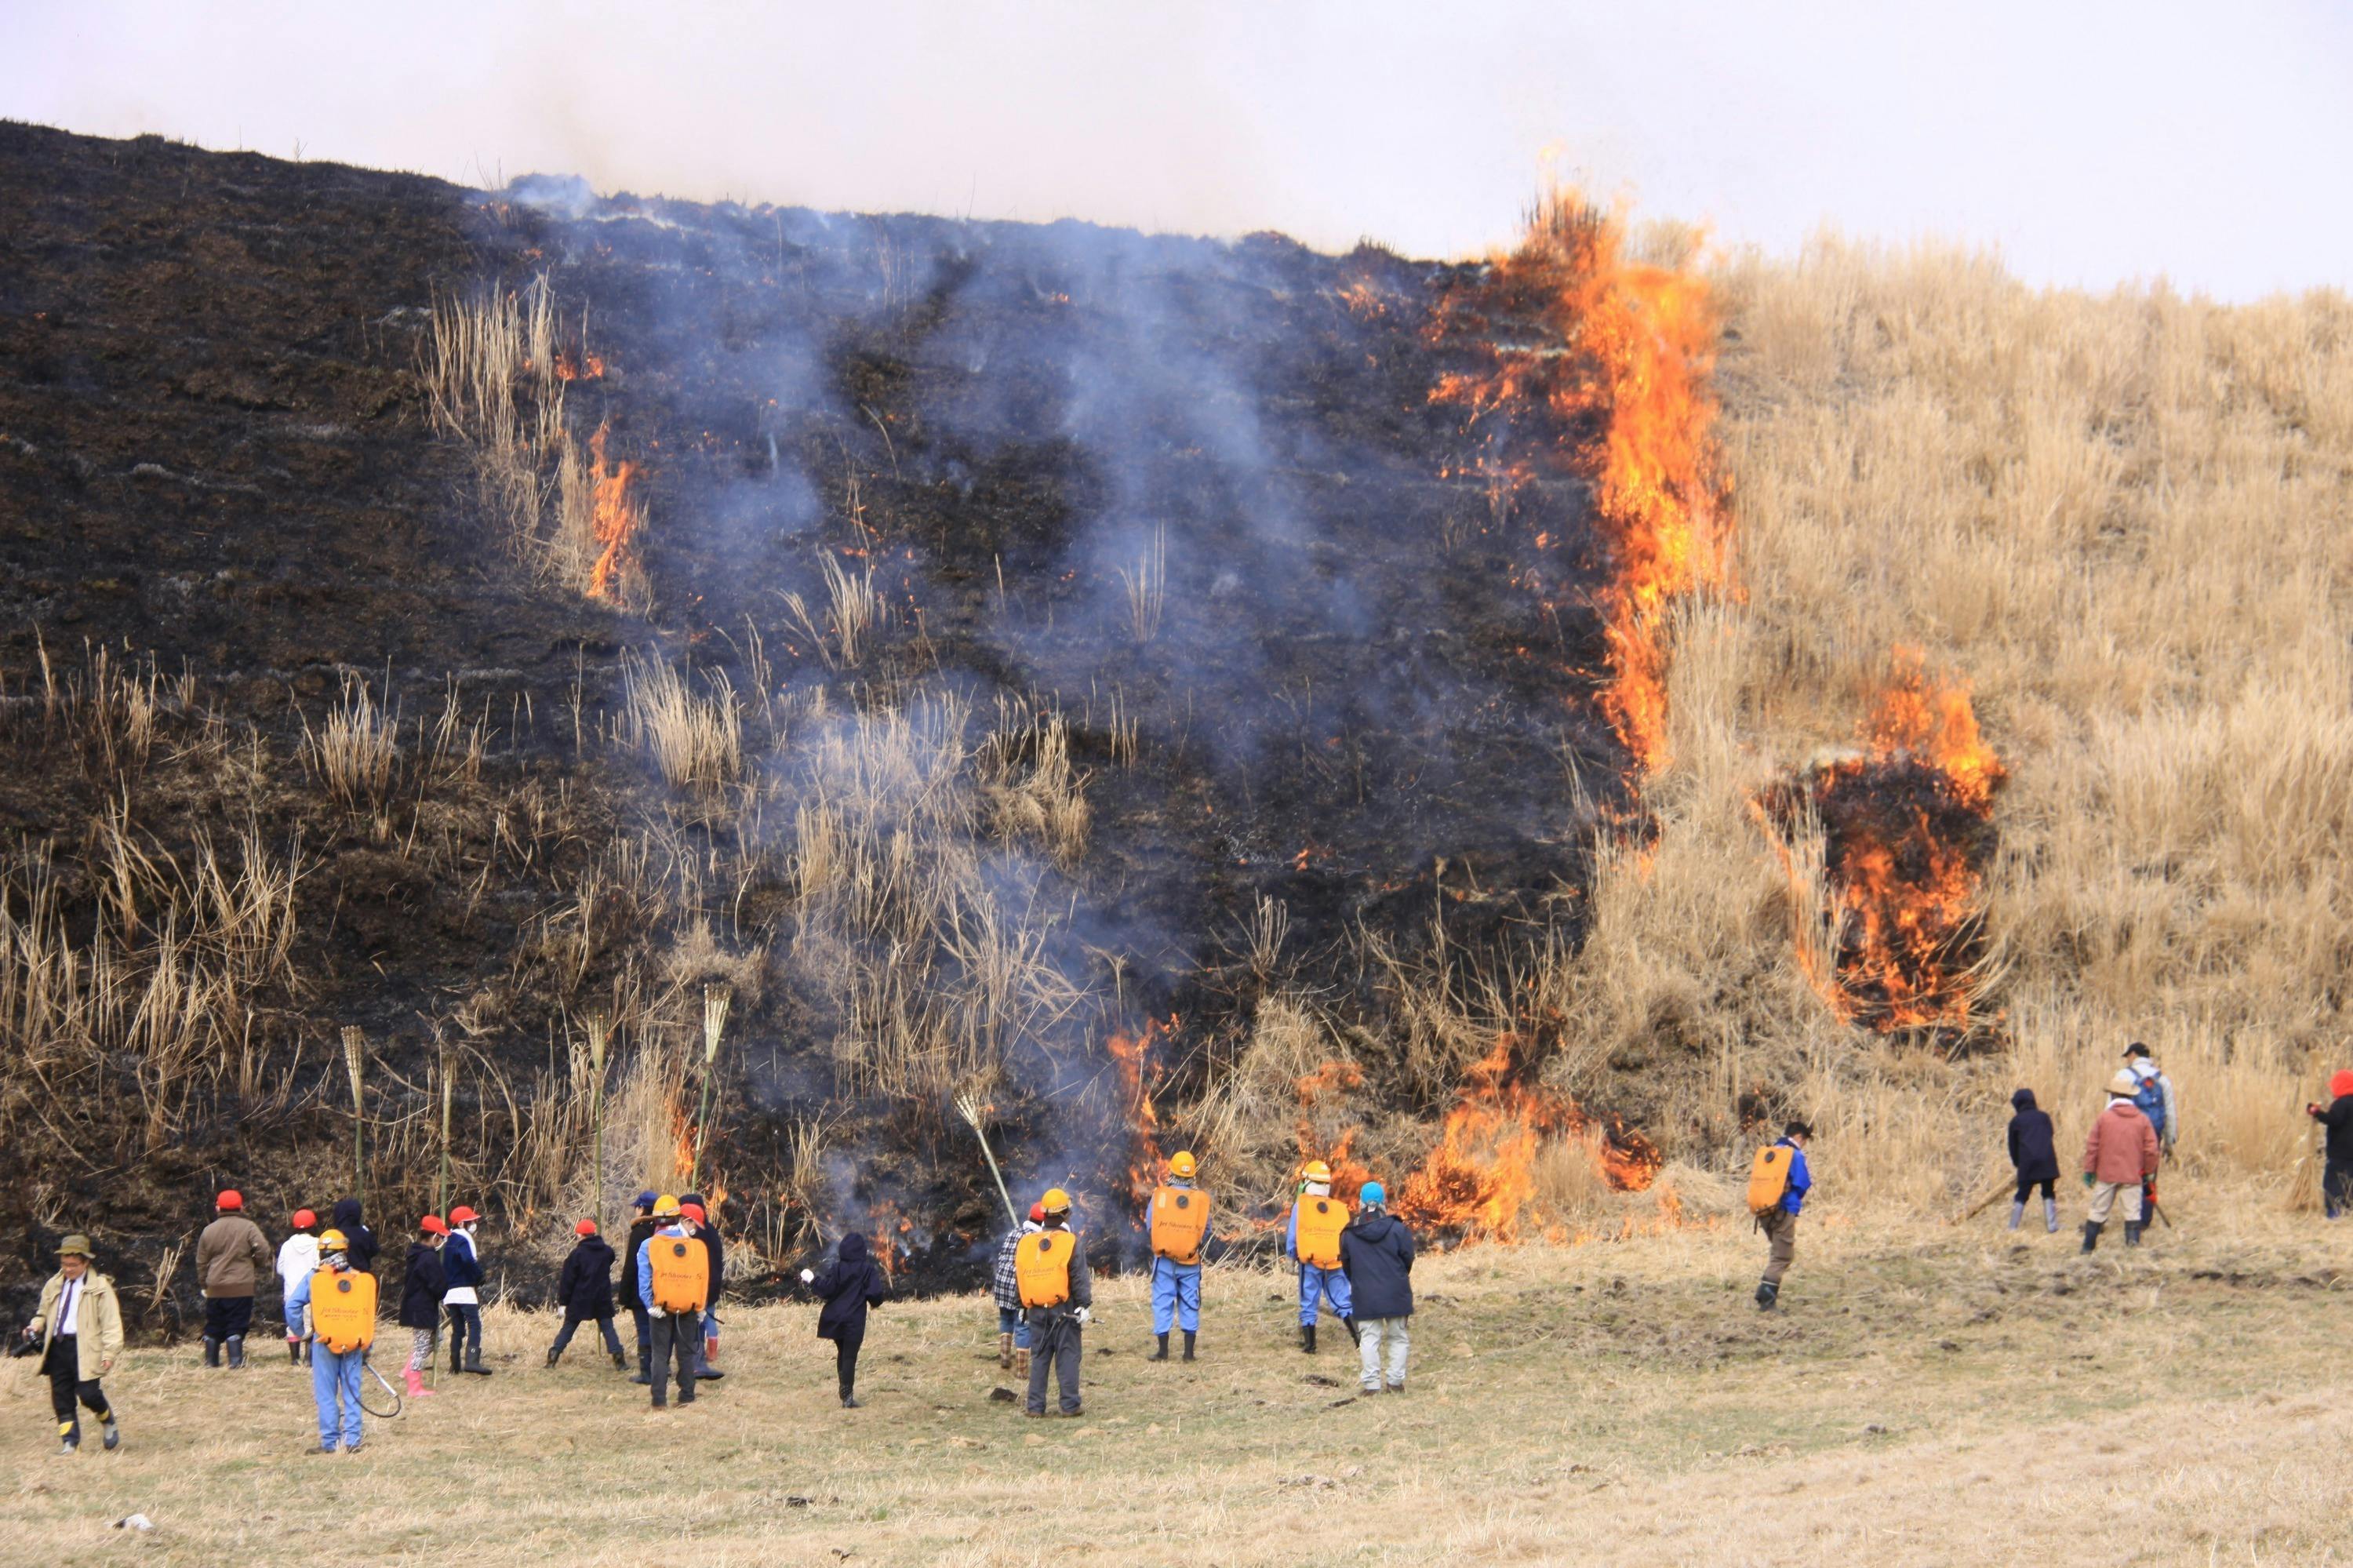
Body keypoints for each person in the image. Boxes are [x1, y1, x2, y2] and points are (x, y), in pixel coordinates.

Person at [17, 1234, 123, 1455]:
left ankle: (107, 1419)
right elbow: (42, 1313)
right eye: (64, 1264)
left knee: (88, 1395)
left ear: (86, 1262)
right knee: (61, 1398)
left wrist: (109, 1353)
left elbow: (112, 1324)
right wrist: (35, 1326)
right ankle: (70, 1444)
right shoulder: (53, 1284)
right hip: (57, 1348)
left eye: (73, 1265)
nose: (68, 1269)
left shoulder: (101, 1288)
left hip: (86, 1350)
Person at [289, 1228, 375, 1454]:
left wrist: (302, 1333)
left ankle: (330, 1442)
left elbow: (292, 1306)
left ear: (321, 1252)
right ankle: (352, 1440)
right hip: (353, 1343)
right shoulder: (359, 1278)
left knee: (326, 1393)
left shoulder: (314, 1277)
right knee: (352, 1391)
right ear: (345, 1250)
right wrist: (368, 1345)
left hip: (323, 1341)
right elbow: (366, 1314)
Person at [1017, 1187, 1092, 1418]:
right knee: (1068, 1355)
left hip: (1036, 1310)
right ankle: (1069, 1406)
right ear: (1065, 1214)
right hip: (1064, 1310)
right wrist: (1084, 1304)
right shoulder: (1070, 1241)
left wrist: (1020, 1306)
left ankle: (1035, 1407)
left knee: (1039, 1357)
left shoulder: (1027, 1243)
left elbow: (1020, 1274)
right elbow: (1079, 1275)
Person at [1340, 1181, 1415, 1395]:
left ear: (1360, 1202)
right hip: (1396, 1292)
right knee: (1398, 1337)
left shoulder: (1349, 1233)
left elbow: (1347, 1266)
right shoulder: (1398, 1228)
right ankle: (1395, 1383)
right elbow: (1408, 1258)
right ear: (1384, 1202)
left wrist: (1360, 1282)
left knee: (1369, 1340)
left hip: (1365, 1294)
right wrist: (1399, 1277)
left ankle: (1371, 1386)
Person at [799, 1231, 889, 1407]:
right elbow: (875, 1294)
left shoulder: (837, 1268)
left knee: (842, 1353)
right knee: (850, 1356)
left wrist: (812, 1280)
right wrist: (875, 1302)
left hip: (834, 1319)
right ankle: (847, 1396)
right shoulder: (867, 1270)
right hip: (854, 1321)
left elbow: (827, 1290)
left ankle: (845, 1389)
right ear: (862, 1251)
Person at [635, 1194, 707, 1410]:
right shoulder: (693, 1245)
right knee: (685, 1353)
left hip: (661, 1307)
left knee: (659, 1355)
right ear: (679, 1217)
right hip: (688, 1307)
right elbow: (700, 1277)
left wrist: (650, 1304)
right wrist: (700, 1307)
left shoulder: (648, 1245)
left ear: (655, 1219)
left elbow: (645, 1280)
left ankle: (658, 1401)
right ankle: (687, 1397)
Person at [2082, 1068, 2162, 1252]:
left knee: (2097, 1211)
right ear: (2131, 1097)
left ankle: (2087, 1248)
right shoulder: (2142, 1120)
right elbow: (2151, 1150)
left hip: (2106, 1174)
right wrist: (2149, 1172)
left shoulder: (2104, 1118)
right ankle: (2132, 1249)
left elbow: (2092, 1147)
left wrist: (2089, 1171)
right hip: (2132, 1175)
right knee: (2132, 1213)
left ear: (2113, 1096)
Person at [195, 1189, 272, 1369]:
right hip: (241, 1286)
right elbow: (264, 1249)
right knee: (237, 1323)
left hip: (215, 1286)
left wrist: (203, 1283)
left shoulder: (209, 1230)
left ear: (218, 1208)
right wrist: (254, 1263)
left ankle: (211, 1361)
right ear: (241, 1207)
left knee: (214, 1323)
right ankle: (235, 1362)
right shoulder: (249, 1227)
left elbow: (201, 1261)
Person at [1146, 1150, 1209, 1362]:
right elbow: (1205, 1229)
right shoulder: (1201, 1199)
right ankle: (1188, 1354)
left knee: (1162, 1302)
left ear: (1171, 1171)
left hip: (1164, 1261)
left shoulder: (1160, 1195)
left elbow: (1149, 1224)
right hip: (1190, 1262)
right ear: (1193, 1174)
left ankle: (1163, 1352)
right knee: (1190, 1302)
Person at [1285, 1160, 1355, 1354]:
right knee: (1342, 1301)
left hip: (1311, 1264)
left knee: (1309, 1301)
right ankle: (1360, 1338)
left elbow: (1293, 1234)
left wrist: (1290, 1256)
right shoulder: (1339, 1208)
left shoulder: (1301, 1206)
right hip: (1336, 1262)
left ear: (1307, 1183)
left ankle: (1310, 1345)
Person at [547, 1219, 627, 1370]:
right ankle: (619, 1359)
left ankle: (553, 1356)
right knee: (608, 1329)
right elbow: (610, 1259)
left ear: (579, 1235)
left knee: (568, 1328)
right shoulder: (607, 1251)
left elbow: (567, 1281)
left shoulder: (576, 1255)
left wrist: (563, 1302)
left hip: (580, 1298)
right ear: (594, 1233)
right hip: (602, 1297)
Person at [1754, 1121, 1813, 1309]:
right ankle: (1766, 1299)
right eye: (1804, 1141)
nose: (1803, 1145)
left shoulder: (1769, 1153)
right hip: (1784, 1210)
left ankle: (1763, 1290)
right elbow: (1802, 1183)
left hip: (1763, 1210)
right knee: (1783, 1256)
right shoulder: (1793, 1155)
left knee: (1778, 1252)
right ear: (1798, 1137)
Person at [398, 1215, 448, 1399]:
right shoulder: (428, 1258)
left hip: (419, 1306)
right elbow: (438, 1285)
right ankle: (414, 1384)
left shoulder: (417, 1254)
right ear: (434, 1236)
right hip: (422, 1308)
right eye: (441, 1237)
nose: (442, 1241)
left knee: (436, 1339)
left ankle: (409, 1369)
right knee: (422, 1346)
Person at [991, 1202, 1042, 1376]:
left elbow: (1003, 1255)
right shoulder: (1038, 1239)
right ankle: (1022, 1370)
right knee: (1022, 1324)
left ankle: (1005, 1357)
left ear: (1029, 1216)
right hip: (1020, 1284)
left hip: (1003, 1281)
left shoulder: (1015, 1232)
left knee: (1005, 1318)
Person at [442, 1204, 492, 1375]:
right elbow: (468, 1261)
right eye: (471, 1221)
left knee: (458, 1329)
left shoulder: (446, 1239)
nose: (474, 1224)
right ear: (461, 1224)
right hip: (464, 1289)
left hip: (449, 1291)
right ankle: (472, 1361)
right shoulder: (463, 1239)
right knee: (474, 1324)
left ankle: (454, 1365)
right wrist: (479, 1276)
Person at [616, 1191, 659, 1385]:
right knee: (658, 1330)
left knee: (643, 1330)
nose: (635, 1210)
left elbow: (631, 1266)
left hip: (640, 1292)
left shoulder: (639, 1232)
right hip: (661, 1290)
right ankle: (660, 1369)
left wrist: (623, 1295)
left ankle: (646, 1373)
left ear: (642, 1209)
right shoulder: (662, 1230)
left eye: (637, 1207)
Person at [680, 1195, 724, 1380]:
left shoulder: (695, 1234)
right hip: (711, 1281)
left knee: (702, 1320)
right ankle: (708, 1355)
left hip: (701, 1283)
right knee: (708, 1318)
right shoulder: (711, 1230)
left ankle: (699, 1361)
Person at [2006, 1090, 2060, 1233]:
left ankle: (2012, 1227)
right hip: (2048, 1160)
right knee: (2048, 1191)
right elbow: (2050, 1134)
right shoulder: (2044, 1117)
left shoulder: (2016, 1122)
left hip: (2027, 1162)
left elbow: (2012, 1147)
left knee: (2022, 1193)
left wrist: (2018, 1164)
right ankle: (2052, 1225)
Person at [276, 1209, 322, 1363]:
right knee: (312, 1324)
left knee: (292, 1325)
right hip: (312, 1291)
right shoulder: (317, 1244)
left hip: (290, 1291)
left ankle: (294, 1359)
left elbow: (280, 1268)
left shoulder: (287, 1245)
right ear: (314, 1225)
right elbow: (319, 1266)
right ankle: (309, 1359)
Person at [2308, 1069, 2353, 1218]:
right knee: (2349, 1181)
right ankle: (2348, 1208)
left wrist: (2316, 1112)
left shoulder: (2341, 1103)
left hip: (2339, 1152)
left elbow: (2333, 1120)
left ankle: (2334, 1211)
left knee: (2333, 1181)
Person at [329, 1197, 380, 1274]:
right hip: (362, 1277)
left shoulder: (334, 1234)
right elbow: (375, 1250)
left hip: (339, 1279)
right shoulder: (364, 1232)